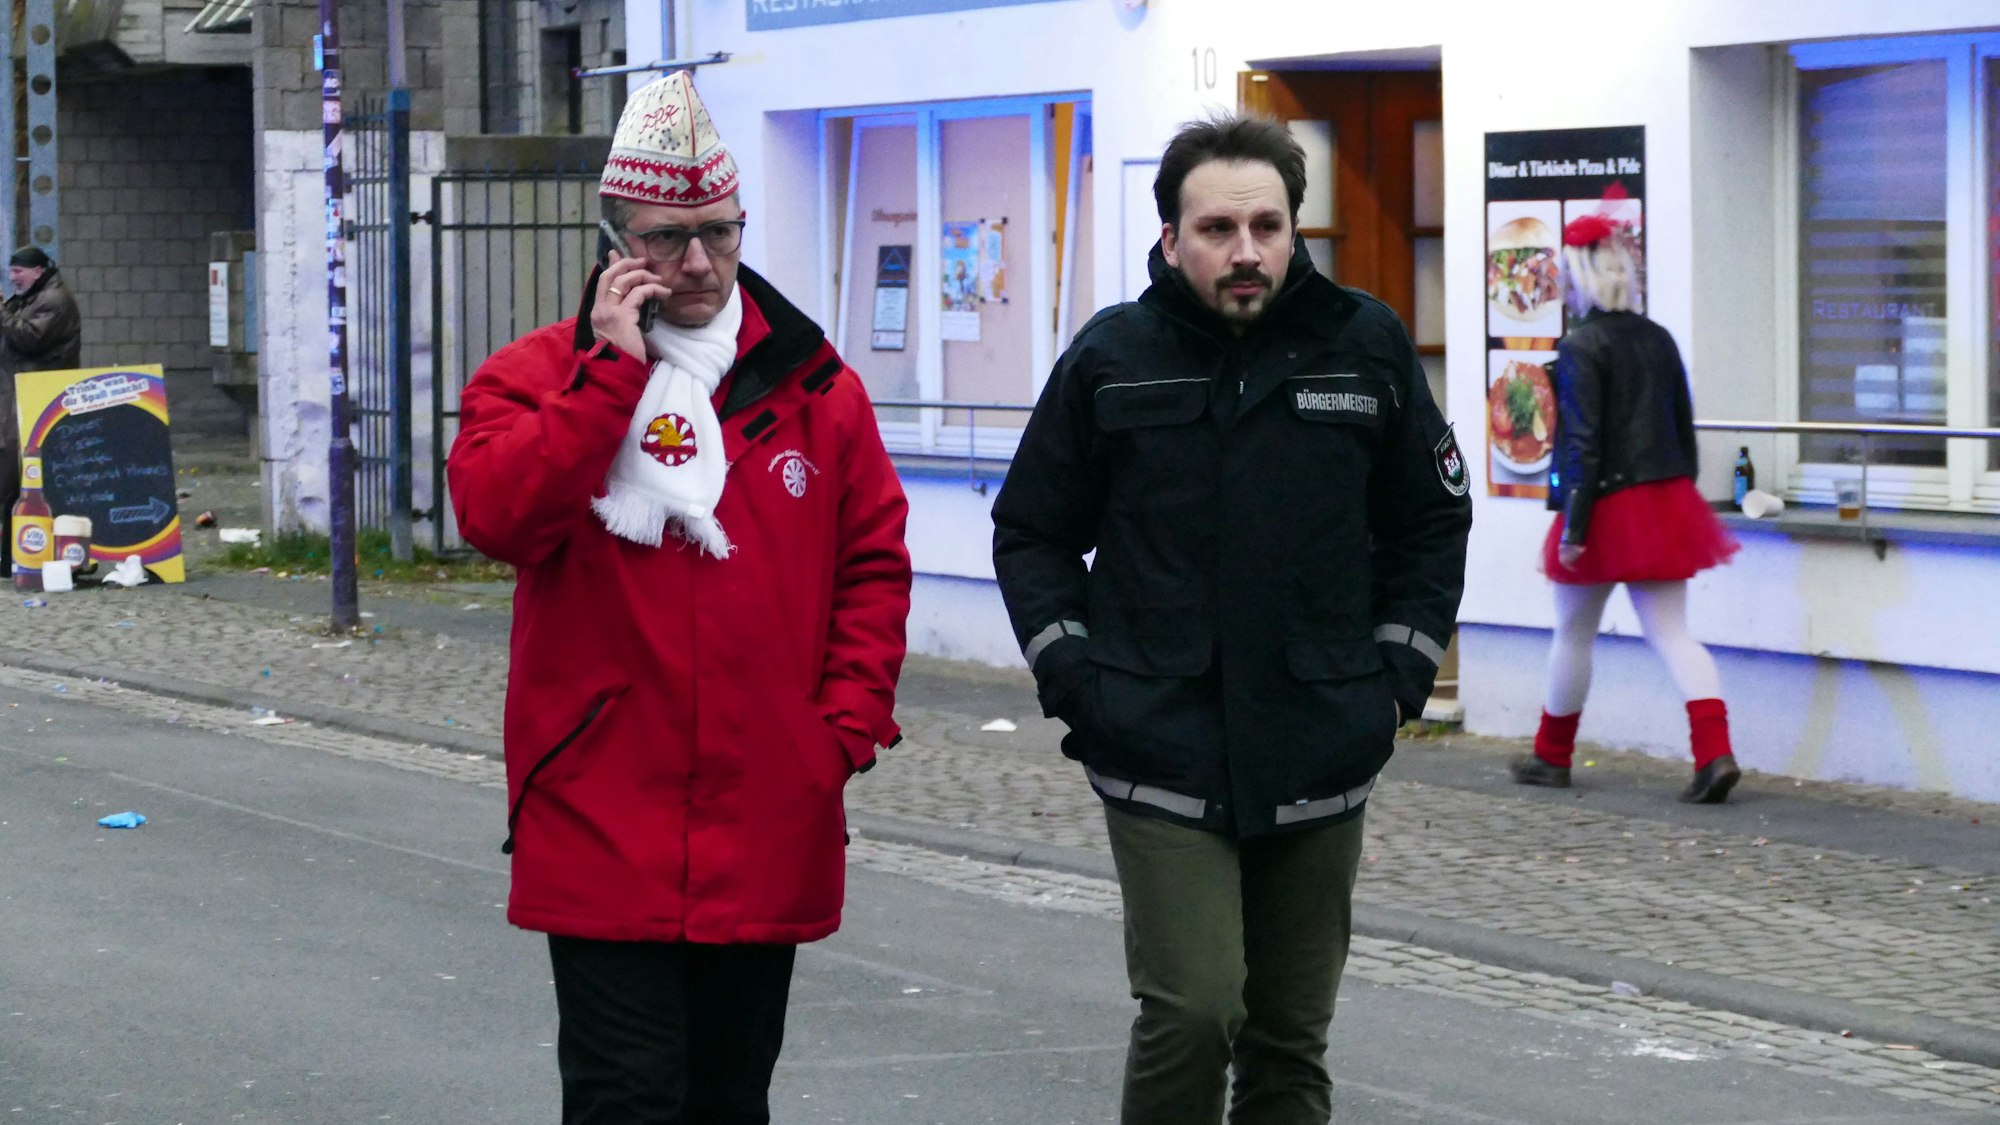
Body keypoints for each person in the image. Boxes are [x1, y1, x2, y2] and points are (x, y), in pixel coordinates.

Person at [446, 71, 911, 1124]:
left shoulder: (814, 388)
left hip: (764, 806)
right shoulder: (534, 378)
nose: (695, 262)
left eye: (717, 232)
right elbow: (496, 517)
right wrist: (606, 380)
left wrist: (834, 731)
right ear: (614, 243)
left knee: (727, 1098)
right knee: (622, 1099)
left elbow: (873, 565)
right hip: (601, 804)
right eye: (664, 237)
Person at [992, 113, 1471, 1125]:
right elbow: (1030, 533)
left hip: (1319, 744)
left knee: (1287, 1040)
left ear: (1297, 231)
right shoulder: (1112, 357)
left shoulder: (1364, 345)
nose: (1243, 250)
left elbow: (1430, 521)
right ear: (1170, 239)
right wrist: (1076, 677)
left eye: (1266, 225)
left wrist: (1393, 680)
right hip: (1157, 744)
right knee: (1196, 1010)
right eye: (1215, 228)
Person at [1509, 209, 1741, 803]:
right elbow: (1683, 432)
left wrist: (1576, 528)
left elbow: (1583, 443)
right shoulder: (1659, 337)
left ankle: (1551, 756)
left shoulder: (1581, 345)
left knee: (1573, 634)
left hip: (1604, 503)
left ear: (1579, 275)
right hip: (1664, 500)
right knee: (1674, 635)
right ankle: (1714, 754)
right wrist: (1679, 493)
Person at [0, 246, 81, 570]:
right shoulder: (33, 298)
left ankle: (18, 555)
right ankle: (10, 556)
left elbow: (30, 338)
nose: (13, 278)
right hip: (21, 397)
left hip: (37, 400)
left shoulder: (55, 300)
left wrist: (1, 313)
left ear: (37, 270)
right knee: (13, 478)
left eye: (18, 271)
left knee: (18, 476)